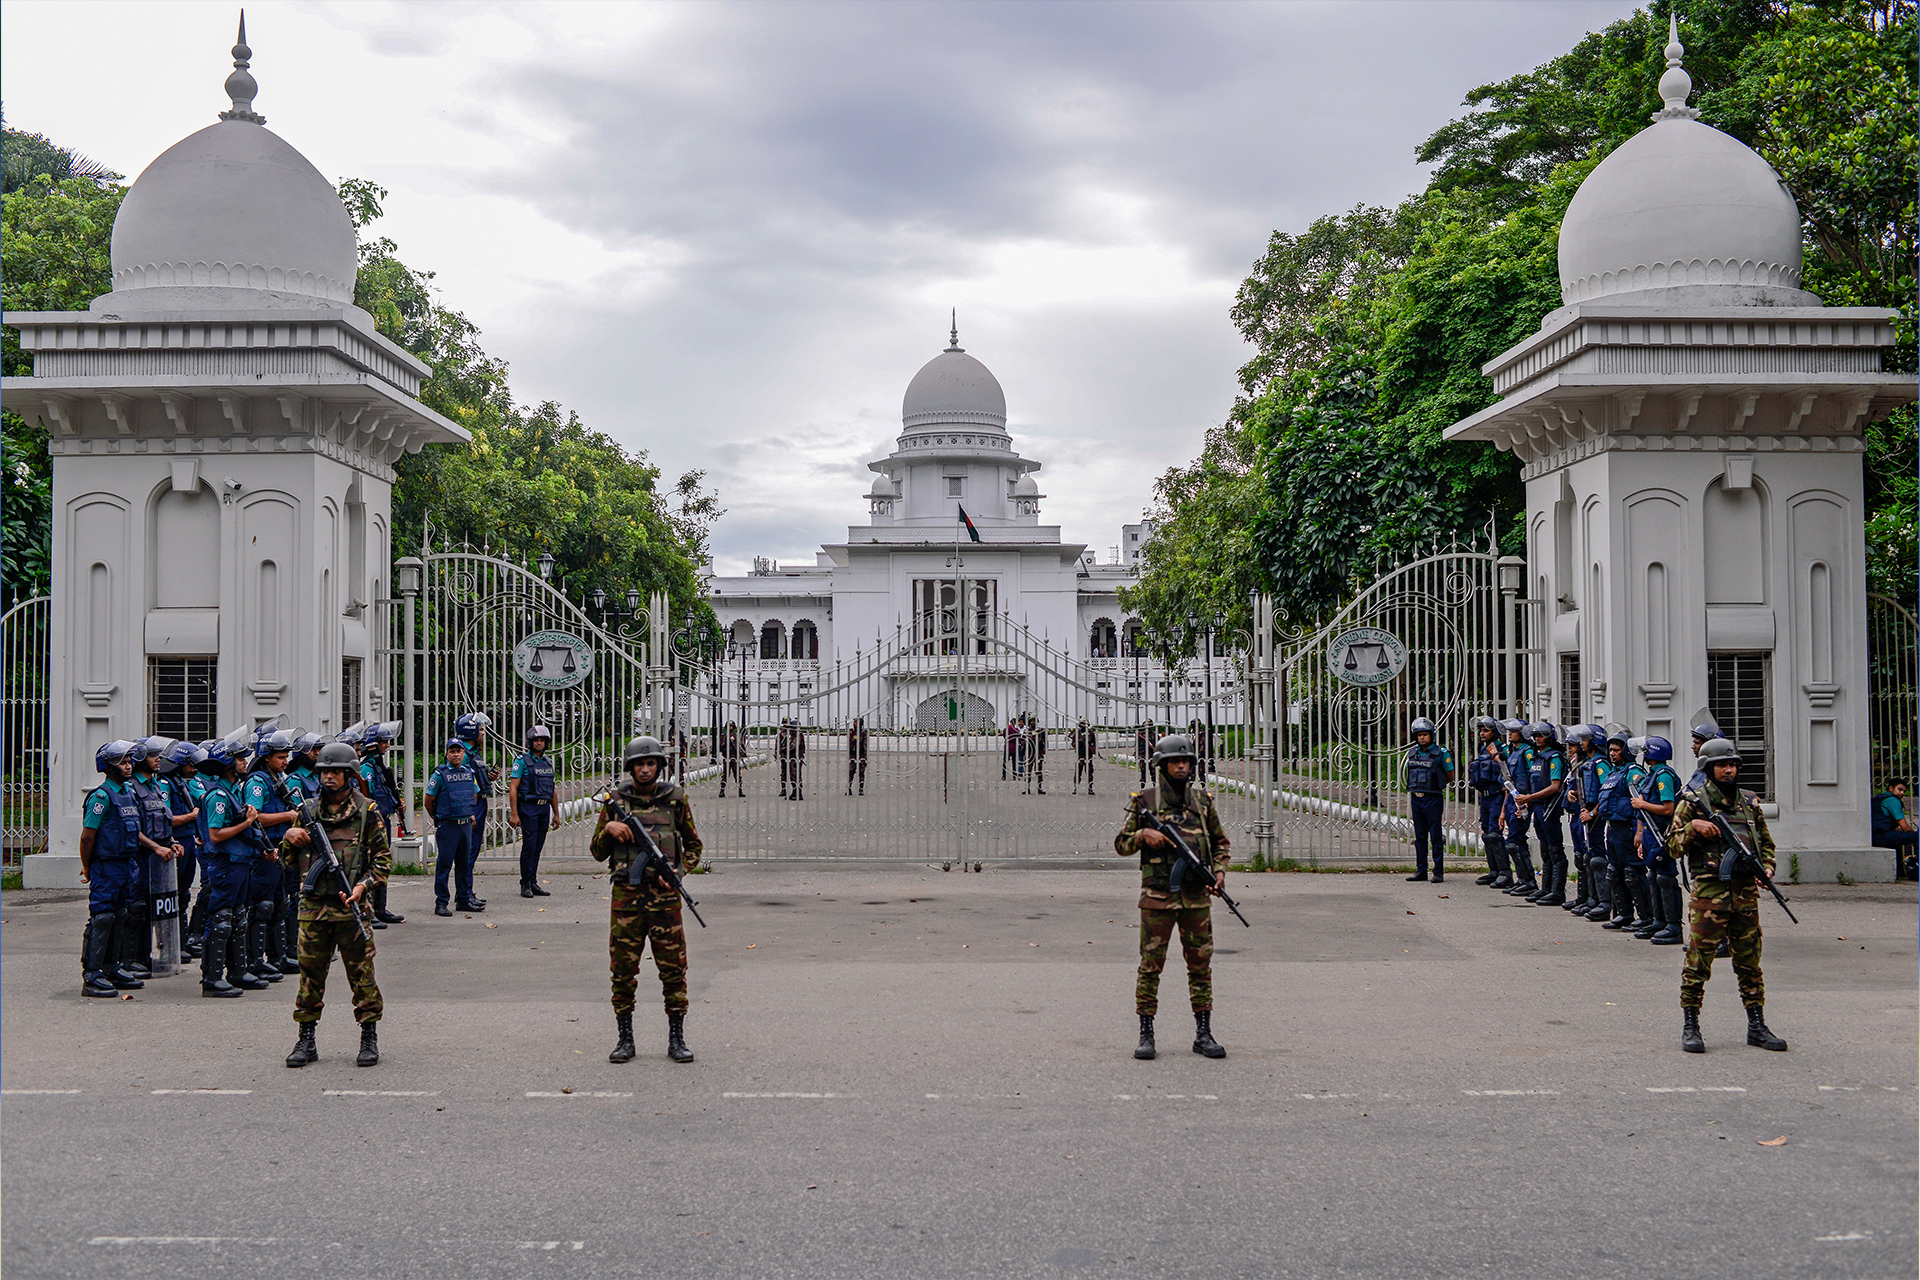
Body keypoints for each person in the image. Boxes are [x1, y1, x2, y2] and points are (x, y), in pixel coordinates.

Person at [1113, 733, 1231, 1062]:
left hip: (1196, 900)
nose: (1182, 766)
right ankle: (1146, 1034)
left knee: (1200, 967)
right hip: (1156, 898)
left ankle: (1203, 1033)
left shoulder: (1203, 802)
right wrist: (1143, 834)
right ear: (1161, 767)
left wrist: (1219, 873)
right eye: (1175, 762)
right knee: (1150, 968)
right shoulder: (1144, 802)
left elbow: (1221, 844)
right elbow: (1121, 844)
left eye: (1186, 761)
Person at [1669, 737, 1787, 1054]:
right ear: (1709, 768)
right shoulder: (1692, 802)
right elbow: (1672, 846)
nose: (1729, 769)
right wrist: (1694, 827)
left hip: (1745, 895)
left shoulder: (1749, 803)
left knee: (1750, 963)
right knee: (1698, 963)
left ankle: (1757, 1026)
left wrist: (1768, 869)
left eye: (1733, 764)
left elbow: (1766, 844)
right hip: (1709, 896)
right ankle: (1691, 1025)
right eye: (1723, 764)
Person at [591, 735, 703, 1064]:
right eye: (639, 764)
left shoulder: (675, 798)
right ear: (631, 766)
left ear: (659, 765)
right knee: (623, 969)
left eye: (650, 763)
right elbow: (597, 853)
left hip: (665, 900)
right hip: (626, 898)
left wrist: (678, 874)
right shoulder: (616, 800)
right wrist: (608, 828)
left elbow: (694, 846)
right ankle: (625, 1038)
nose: (644, 769)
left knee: (673, 970)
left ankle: (676, 1038)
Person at [281, 742, 390, 1069]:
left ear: (349, 775)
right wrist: (290, 838)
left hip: (350, 907)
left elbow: (383, 861)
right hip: (314, 908)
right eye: (324, 771)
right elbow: (286, 861)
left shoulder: (366, 811)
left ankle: (368, 1035)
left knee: (362, 975)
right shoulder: (307, 811)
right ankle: (306, 1037)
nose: (328, 776)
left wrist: (362, 886)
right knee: (310, 976)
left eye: (335, 772)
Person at [79, 742, 151, 996]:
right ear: (108, 767)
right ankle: (92, 974)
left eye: (130, 761)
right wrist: (87, 866)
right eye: (122, 762)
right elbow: (88, 836)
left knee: (121, 915)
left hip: (126, 864)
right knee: (103, 917)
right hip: (106, 866)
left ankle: (112, 967)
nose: (129, 765)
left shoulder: (128, 792)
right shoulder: (101, 796)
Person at [199, 735, 269, 995]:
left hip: (240, 862)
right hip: (225, 864)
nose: (244, 761)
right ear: (227, 762)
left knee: (239, 917)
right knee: (221, 919)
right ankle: (212, 978)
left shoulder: (233, 790)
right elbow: (216, 834)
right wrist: (247, 823)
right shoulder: (217, 794)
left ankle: (238, 972)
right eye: (239, 758)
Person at [242, 729, 302, 980]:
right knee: (262, 906)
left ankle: (277, 957)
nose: (285, 761)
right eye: (280, 757)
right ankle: (255, 961)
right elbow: (252, 817)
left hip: (282, 849)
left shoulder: (281, 779)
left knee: (281, 903)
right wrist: (287, 816)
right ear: (267, 757)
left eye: (287, 756)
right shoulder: (257, 782)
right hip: (263, 850)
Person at [1632, 736, 1684, 944]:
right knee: (1653, 876)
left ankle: (1673, 926)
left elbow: (1668, 808)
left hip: (1662, 832)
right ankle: (1658, 920)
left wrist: (1642, 805)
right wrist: (1639, 834)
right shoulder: (1651, 776)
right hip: (1650, 833)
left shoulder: (1664, 776)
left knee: (1665, 877)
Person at [426, 738, 484, 916]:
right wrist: (437, 816)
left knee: (464, 865)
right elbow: (429, 800)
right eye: (452, 751)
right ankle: (441, 903)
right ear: (447, 754)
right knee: (444, 866)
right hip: (448, 826)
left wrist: (470, 813)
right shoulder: (439, 774)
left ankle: (463, 900)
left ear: (463, 753)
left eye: (458, 751)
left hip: (465, 825)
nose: (456, 754)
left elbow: (474, 795)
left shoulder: (469, 772)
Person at [358, 723, 407, 926]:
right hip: (372, 823)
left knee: (383, 865)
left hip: (384, 820)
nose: (387, 746)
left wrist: (397, 804)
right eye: (383, 742)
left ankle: (380, 908)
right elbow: (366, 796)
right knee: (372, 865)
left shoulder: (380, 768)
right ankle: (370, 911)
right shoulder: (367, 768)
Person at [1515, 722, 1567, 905]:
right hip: (1538, 807)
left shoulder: (1554, 758)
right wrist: (1527, 802)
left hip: (1549, 808)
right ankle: (1545, 889)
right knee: (1545, 850)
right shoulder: (1538, 757)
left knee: (1554, 850)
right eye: (1535, 735)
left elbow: (1555, 786)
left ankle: (1557, 892)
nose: (1537, 738)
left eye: (1541, 735)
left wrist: (1529, 797)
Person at [1403, 716, 1454, 883]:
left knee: (1436, 836)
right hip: (1416, 798)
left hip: (1433, 798)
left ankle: (1438, 871)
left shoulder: (1441, 753)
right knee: (1420, 836)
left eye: (1425, 734)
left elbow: (1450, 775)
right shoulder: (1412, 753)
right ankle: (1421, 870)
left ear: (1432, 735)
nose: (1422, 737)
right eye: (1419, 735)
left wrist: (1436, 786)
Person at [453, 713, 496, 909]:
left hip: (480, 804)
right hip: (472, 806)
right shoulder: (464, 755)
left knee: (473, 850)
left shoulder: (473, 754)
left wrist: (489, 777)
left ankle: (467, 892)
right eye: (479, 729)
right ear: (470, 731)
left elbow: (476, 780)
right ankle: (463, 896)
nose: (482, 733)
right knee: (467, 852)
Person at [508, 724, 557, 897]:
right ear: (530, 742)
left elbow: (552, 789)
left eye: (542, 740)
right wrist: (514, 814)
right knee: (529, 845)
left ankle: (533, 881)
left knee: (537, 846)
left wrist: (556, 813)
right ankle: (525, 883)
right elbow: (513, 788)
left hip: (544, 808)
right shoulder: (521, 761)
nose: (539, 743)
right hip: (528, 808)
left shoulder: (548, 762)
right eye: (536, 740)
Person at [1466, 717, 1514, 888]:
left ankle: (1505, 872)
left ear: (1494, 732)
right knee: (1486, 834)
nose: (1482, 733)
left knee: (1495, 834)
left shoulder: (1501, 748)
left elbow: (1507, 768)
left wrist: (1497, 756)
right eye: (1481, 730)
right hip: (1485, 797)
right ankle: (1493, 870)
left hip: (1497, 796)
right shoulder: (1482, 749)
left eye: (1486, 730)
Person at [1574, 726, 1614, 921]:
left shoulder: (1601, 763)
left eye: (1585, 739)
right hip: (1586, 811)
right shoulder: (1587, 762)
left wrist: (1593, 812)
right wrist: (1573, 793)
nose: (1582, 742)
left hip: (1594, 814)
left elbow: (1607, 791)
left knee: (1597, 859)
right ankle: (1591, 899)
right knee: (1588, 857)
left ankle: (1604, 902)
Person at [1498, 720, 1538, 895]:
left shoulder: (1527, 752)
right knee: (1513, 842)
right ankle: (1522, 879)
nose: (1510, 733)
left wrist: (1528, 799)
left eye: (1514, 731)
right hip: (1512, 799)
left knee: (1515, 842)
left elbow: (1534, 777)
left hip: (1523, 800)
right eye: (1509, 730)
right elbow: (1508, 782)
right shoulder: (1511, 752)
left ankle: (1529, 881)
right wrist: (1503, 810)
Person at [1871, 781, 1916, 880]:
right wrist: (1914, 834)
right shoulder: (1892, 800)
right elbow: (1904, 827)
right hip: (1881, 836)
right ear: (1891, 788)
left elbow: (1890, 826)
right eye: (1899, 789)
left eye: (1904, 791)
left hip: (1874, 836)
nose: (1902, 793)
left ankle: (1900, 872)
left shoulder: (1880, 799)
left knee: (1897, 838)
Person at [777, 717, 806, 800]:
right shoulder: (789, 734)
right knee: (791, 775)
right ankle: (794, 792)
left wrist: (784, 748)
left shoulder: (798, 735)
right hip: (789, 758)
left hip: (795, 758)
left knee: (796, 775)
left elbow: (793, 746)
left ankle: (798, 793)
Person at [1072, 717, 1098, 796]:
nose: (1084, 726)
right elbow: (1073, 744)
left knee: (1090, 772)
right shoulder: (1077, 734)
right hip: (1080, 755)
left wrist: (1092, 748)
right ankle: (1075, 788)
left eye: (1086, 724)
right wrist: (1080, 742)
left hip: (1088, 756)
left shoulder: (1091, 733)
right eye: (1083, 724)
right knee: (1078, 773)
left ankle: (1090, 788)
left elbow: (1094, 744)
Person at [718, 721, 743, 797]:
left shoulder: (737, 736)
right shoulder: (724, 736)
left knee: (737, 774)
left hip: (734, 757)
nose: (730, 728)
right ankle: (722, 791)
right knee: (725, 774)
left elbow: (741, 746)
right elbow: (720, 746)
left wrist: (741, 755)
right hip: (727, 757)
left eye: (731, 726)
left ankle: (740, 791)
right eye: (729, 726)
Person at [1024, 716, 1047, 795]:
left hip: (1038, 753)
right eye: (1032, 721)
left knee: (1038, 771)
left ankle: (1039, 788)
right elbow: (1023, 742)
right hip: (1030, 753)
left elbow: (1045, 742)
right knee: (1028, 772)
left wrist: (1043, 750)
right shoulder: (1027, 731)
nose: (1033, 722)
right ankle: (1027, 788)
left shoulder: (1041, 731)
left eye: (1034, 721)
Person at [847, 718, 869, 795]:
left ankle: (861, 789)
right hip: (853, 755)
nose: (854, 723)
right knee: (851, 772)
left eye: (855, 722)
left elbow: (865, 746)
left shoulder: (863, 733)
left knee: (861, 773)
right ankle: (848, 789)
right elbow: (850, 744)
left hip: (861, 755)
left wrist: (865, 758)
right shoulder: (851, 732)